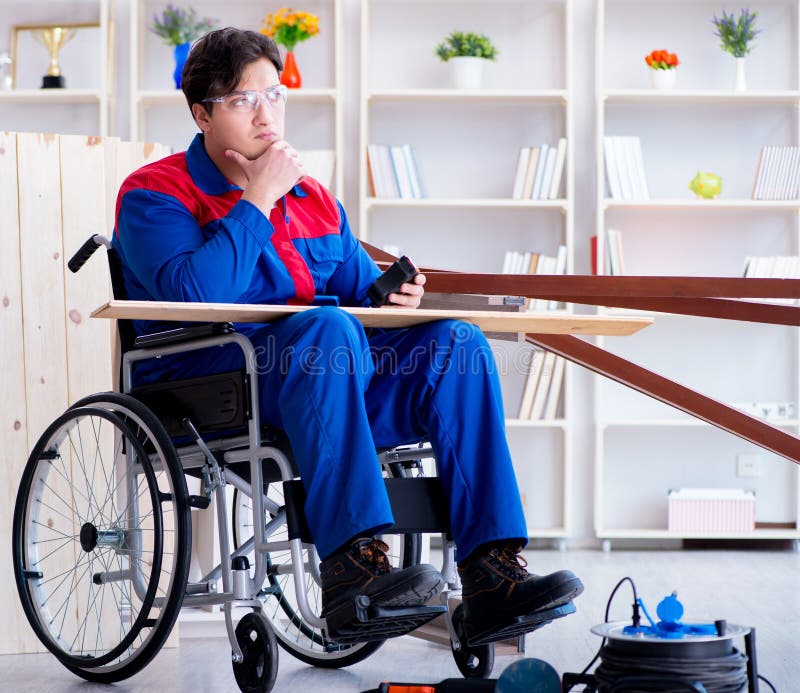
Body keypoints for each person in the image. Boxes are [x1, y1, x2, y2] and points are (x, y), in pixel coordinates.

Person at [112, 27, 583, 636]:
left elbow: (362, 293)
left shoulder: (311, 200)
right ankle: (352, 572)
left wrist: (392, 294)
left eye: (275, 95)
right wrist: (256, 199)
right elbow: (195, 295)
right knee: (326, 328)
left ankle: (492, 571)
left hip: (324, 377)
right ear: (201, 113)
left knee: (456, 343)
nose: (266, 113)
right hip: (216, 384)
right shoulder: (153, 192)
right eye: (242, 100)